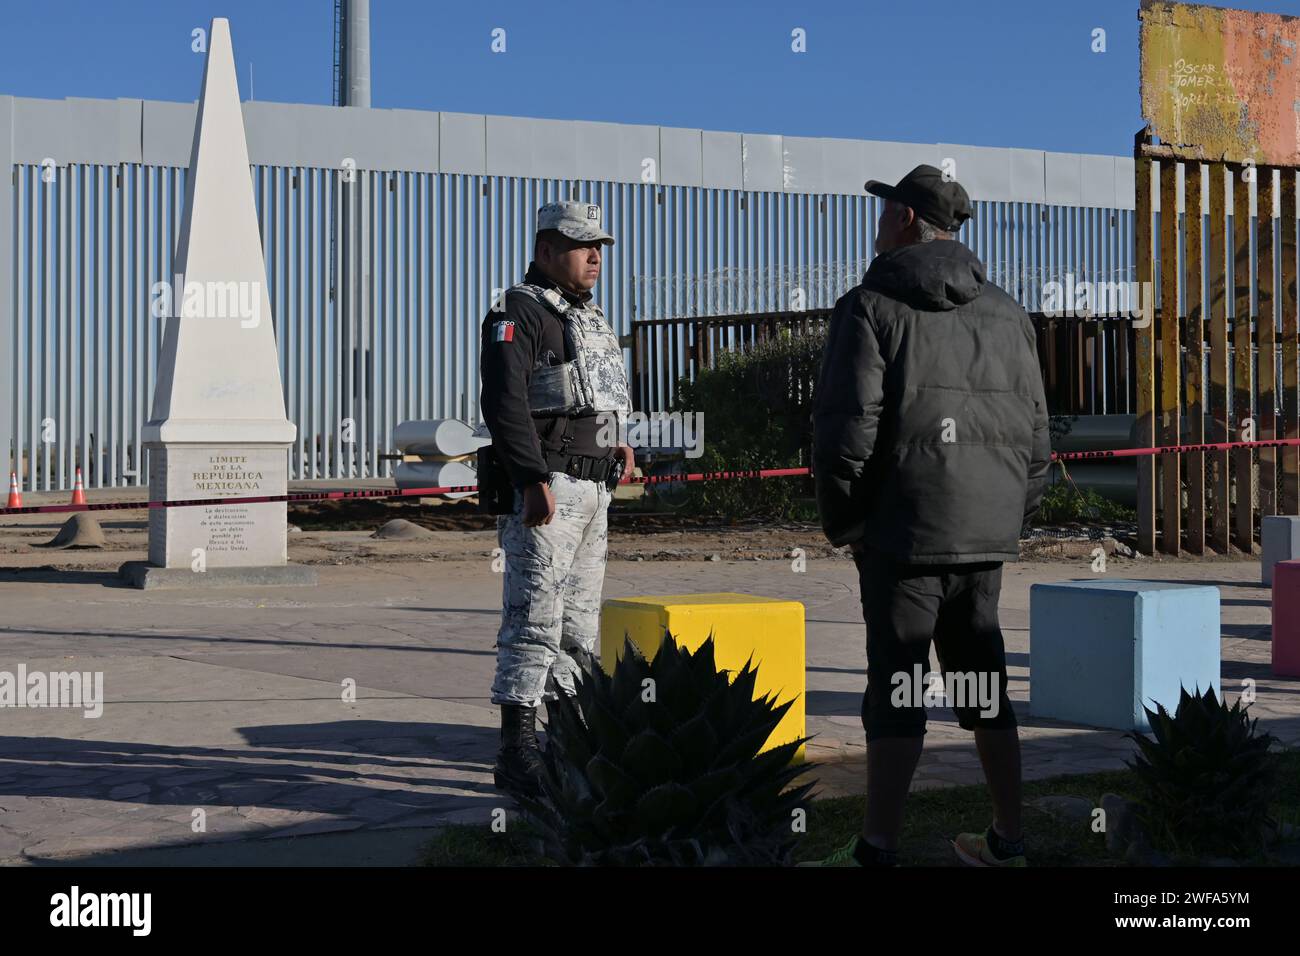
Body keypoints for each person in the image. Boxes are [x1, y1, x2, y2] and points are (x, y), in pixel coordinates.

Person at [809, 164, 1051, 867]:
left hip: (901, 534)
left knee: (897, 685)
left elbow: (846, 428)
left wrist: (847, 523)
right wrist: (1008, 517)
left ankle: (876, 850)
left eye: (886, 211)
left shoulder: (869, 305)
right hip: (982, 536)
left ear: (908, 220)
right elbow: (1038, 435)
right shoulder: (1008, 312)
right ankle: (1009, 840)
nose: (879, 222)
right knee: (983, 681)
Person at [478, 200, 635, 798]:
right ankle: (517, 753)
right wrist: (528, 477)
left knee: (579, 628)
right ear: (546, 251)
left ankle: (569, 742)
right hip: (549, 490)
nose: (594, 255)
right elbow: (506, 402)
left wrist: (620, 443)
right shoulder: (517, 309)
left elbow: (597, 396)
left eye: (599, 245)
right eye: (580, 245)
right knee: (532, 621)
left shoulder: (588, 316)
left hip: (594, 490)